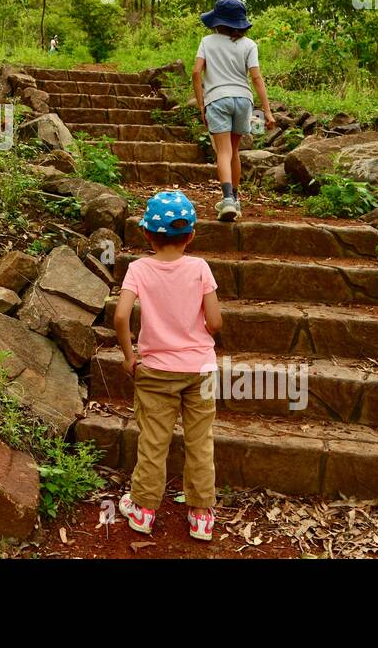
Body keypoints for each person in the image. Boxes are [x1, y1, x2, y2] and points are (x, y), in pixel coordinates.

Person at [115, 190, 223, 541]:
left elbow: (120, 317)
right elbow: (216, 322)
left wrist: (130, 356)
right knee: (200, 441)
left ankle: (144, 510)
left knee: (153, 441)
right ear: (191, 235)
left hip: (156, 370)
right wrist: (202, 335)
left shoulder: (138, 269)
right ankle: (202, 515)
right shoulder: (200, 268)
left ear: (147, 234)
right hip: (200, 370)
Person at [192, 0, 275, 222]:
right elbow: (256, 78)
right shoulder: (249, 45)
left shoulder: (207, 42)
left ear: (217, 21)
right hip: (243, 100)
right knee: (234, 151)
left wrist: (201, 104)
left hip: (217, 99)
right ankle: (235, 199)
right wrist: (267, 111)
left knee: (223, 152)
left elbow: (196, 72)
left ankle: (227, 199)